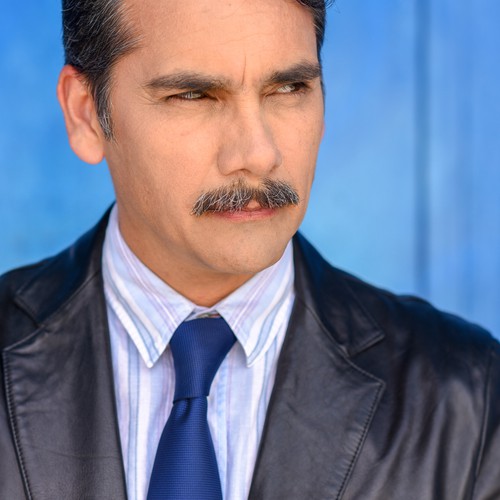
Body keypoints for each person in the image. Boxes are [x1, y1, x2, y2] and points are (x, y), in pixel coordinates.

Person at [1, 0, 499, 498]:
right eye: (194, 95)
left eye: (289, 88)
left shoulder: (471, 399)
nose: (259, 154)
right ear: (86, 114)